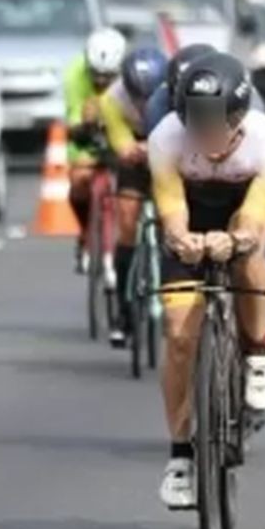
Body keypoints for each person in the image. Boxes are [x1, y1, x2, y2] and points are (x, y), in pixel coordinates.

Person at [148, 52, 265, 509]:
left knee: (248, 255)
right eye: (196, 123)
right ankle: (181, 455)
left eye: (215, 125)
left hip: (243, 208)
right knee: (178, 332)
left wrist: (238, 237)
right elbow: (171, 209)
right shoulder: (166, 138)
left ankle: (259, 354)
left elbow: (255, 213)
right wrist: (182, 239)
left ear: (239, 118)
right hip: (192, 212)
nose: (205, 135)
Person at [99, 46, 168, 347]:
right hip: (133, 159)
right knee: (127, 221)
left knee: (172, 223)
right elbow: (120, 142)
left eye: (148, 96)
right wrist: (130, 149)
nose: (142, 103)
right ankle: (124, 312)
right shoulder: (112, 99)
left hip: (165, 154)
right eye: (136, 96)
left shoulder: (172, 96)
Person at [63, 27, 129, 272]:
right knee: (80, 179)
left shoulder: (129, 77)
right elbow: (74, 125)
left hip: (121, 127)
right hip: (86, 130)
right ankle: (84, 232)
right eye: (96, 76)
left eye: (108, 76)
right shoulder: (74, 75)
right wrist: (86, 124)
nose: (101, 83)